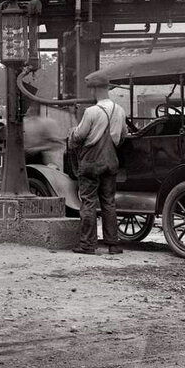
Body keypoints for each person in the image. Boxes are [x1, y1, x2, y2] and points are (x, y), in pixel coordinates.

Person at [69, 80, 128, 255]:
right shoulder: (120, 110)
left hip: (91, 162)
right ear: (108, 90)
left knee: (88, 202)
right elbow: (123, 136)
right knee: (109, 202)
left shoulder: (91, 111)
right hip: (111, 162)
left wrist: (72, 132)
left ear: (95, 90)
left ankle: (87, 245)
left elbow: (79, 136)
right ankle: (113, 244)